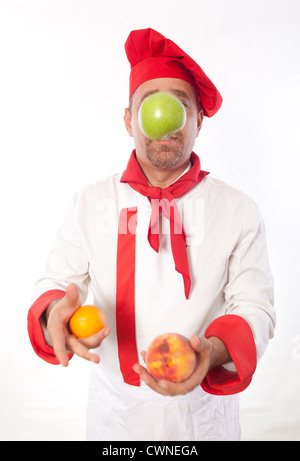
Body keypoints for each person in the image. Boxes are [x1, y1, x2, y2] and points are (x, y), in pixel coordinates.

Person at [27, 28, 275, 441]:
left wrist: (211, 352)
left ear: (198, 119)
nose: (165, 115)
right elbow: (55, 285)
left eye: (180, 103)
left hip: (205, 417)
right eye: (151, 102)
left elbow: (255, 306)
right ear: (129, 120)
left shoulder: (238, 210)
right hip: (115, 417)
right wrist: (57, 314)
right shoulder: (90, 203)